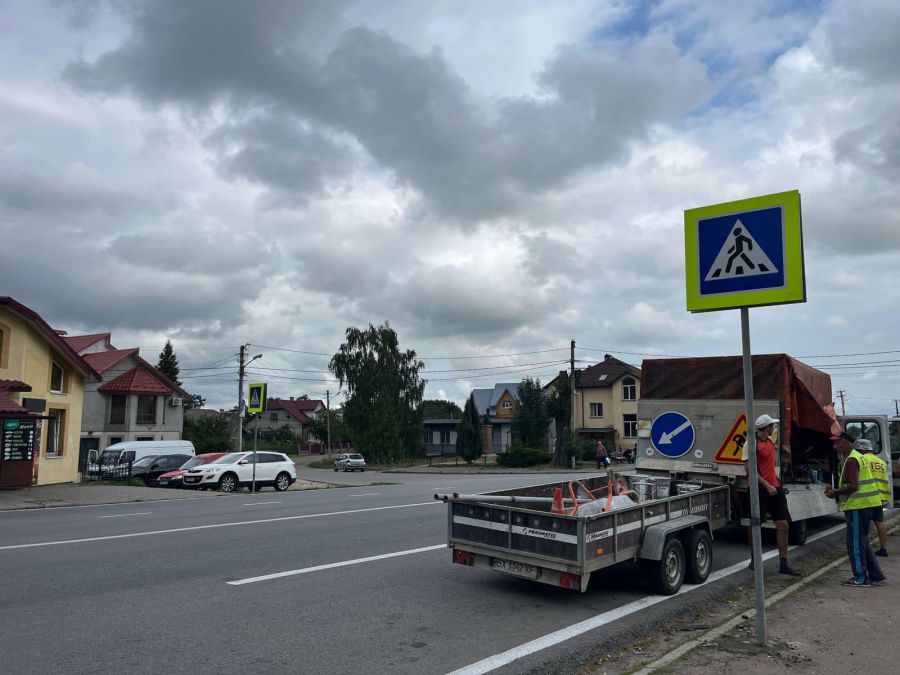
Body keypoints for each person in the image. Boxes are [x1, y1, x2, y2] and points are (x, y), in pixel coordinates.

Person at [824, 432, 887, 586]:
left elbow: (854, 486)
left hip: (859, 506)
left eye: (837, 443)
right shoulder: (858, 457)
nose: (835, 446)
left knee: (855, 544)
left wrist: (835, 492)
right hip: (867, 504)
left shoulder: (852, 460)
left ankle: (861, 577)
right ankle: (876, 574)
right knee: (862, 541)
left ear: (846, 443)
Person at [745, 414, 801, 576]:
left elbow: (770, 465)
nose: (773, 429)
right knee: (755, 525)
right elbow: (750, 470)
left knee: (783, 525)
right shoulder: (751, 444)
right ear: (765, 427)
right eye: (771, 426)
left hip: (775, 488)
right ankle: (754, 559)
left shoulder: (770, 442)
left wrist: (775, 481)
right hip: (759, 490)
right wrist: (767, 485)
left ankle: (783, 563)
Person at [856, 438, 890, 557]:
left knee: (862, 524)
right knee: (879, 522)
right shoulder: (880, 461)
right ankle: (883, 548)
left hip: (866, 496)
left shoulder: (861, 460)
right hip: (878, 497)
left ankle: (863, 550)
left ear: (860, 449)